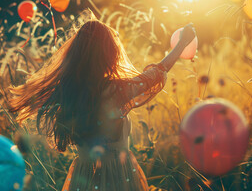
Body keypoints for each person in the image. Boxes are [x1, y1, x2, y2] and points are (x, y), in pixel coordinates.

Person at [10, 14, 196, 191]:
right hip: (117, 174)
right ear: (107, 54)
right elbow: (155, 75)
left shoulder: (68, 90)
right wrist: (181, 44)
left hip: (83, 174)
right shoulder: (114, 91)